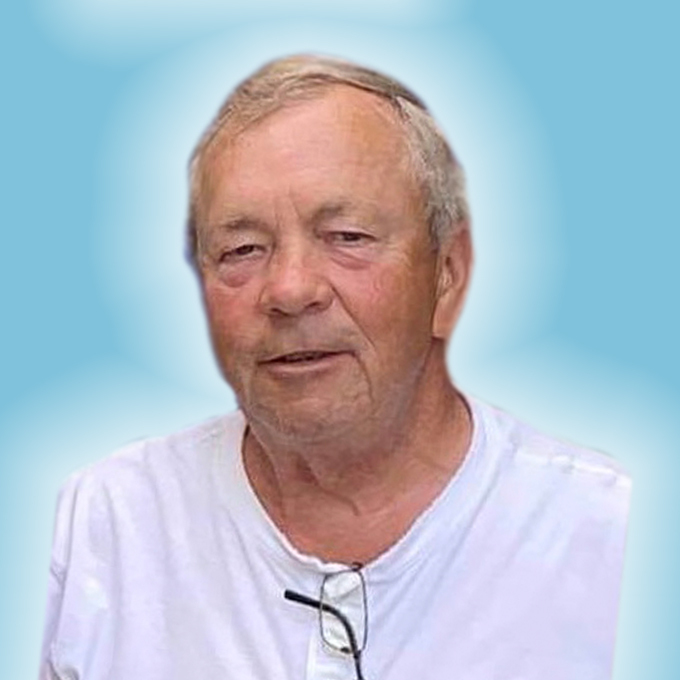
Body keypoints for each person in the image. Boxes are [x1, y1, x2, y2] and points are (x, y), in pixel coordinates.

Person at [39, 55, 631, 680]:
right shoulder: (99, 531)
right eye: (242, 249)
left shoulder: (608, 538)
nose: (290, 290)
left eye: (347, 236)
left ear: (447, 274)